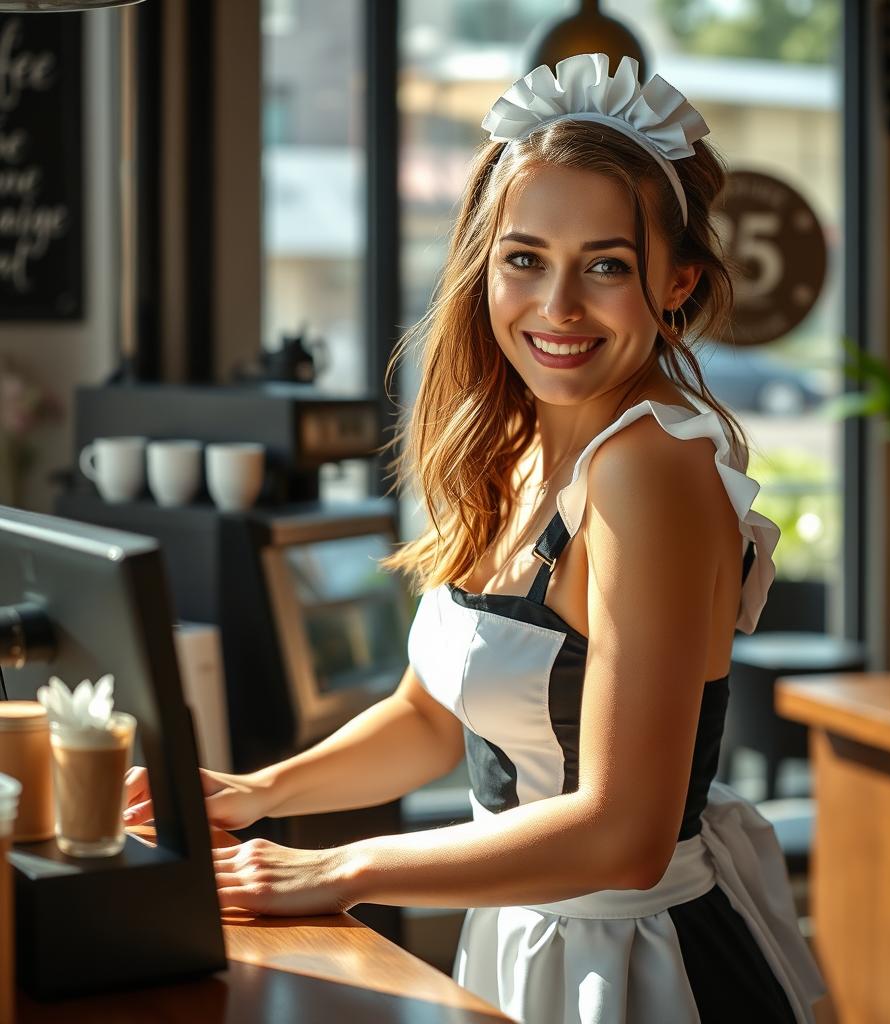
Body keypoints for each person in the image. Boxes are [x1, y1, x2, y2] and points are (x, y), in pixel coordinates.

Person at [124, 52, 827, 1024]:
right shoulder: (516, 445)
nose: (557, 306)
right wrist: (254, 789)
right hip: (522, 935)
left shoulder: (647, 470)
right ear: (482, 264)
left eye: (607, 265)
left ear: (678, 283)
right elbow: (431, 715)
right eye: (525, 257)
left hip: (634, 966)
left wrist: (341, 866)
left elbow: (625, 832)